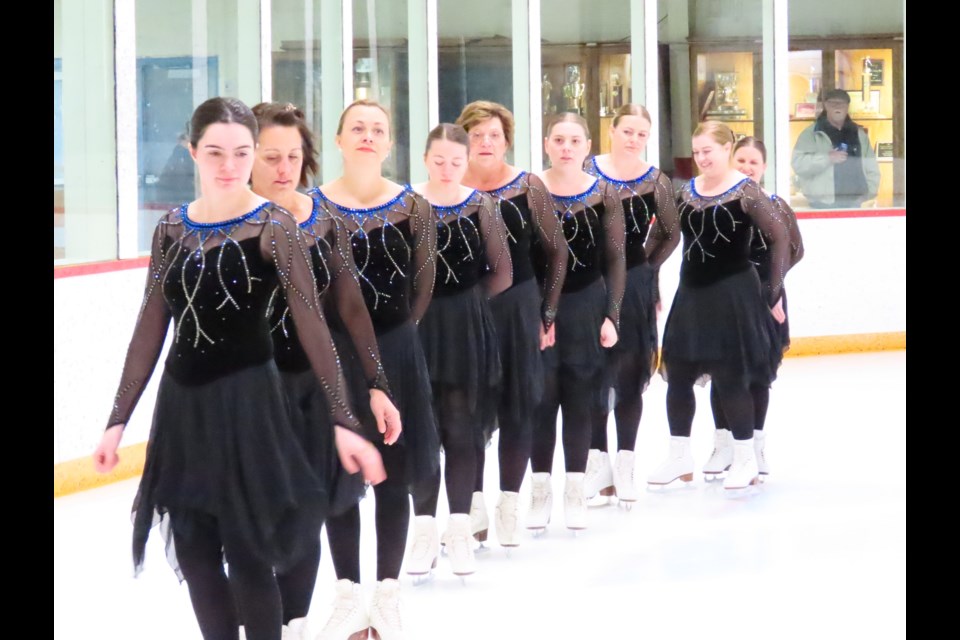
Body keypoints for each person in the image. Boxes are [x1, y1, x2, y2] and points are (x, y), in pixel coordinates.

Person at [92, 97, 386, 640]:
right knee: (196, 549)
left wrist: (344, 419)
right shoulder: (172, 230)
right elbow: (150, 327)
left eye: (241, 153)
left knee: (249, 551)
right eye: (215, 152)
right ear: (192, 151)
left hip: (251, 406)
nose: (228, 165)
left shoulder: (274, 225)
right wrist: (118, 419)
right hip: (183, 410)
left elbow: (314, 327)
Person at [250, 101, 401, 639]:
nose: (283, 167)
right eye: (271, 156)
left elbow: (352, 309)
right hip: (246, 392)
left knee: (305, 509)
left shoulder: (321, 220)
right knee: (253, 520)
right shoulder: (225, 223)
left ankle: (293, 625)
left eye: (293, 156)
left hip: (312, 388)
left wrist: (377, 383)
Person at [309, 99, 440, 640]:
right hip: (329, 356)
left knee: (394, 471)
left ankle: (387, 593)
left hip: (397, 351)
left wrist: (392, 345)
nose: (367, 135)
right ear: (338, 141)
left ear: (390, 144)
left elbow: (422, 287)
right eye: (356, 128)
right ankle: (346, 593)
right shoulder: (310, 208)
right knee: (337, 477)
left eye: (378, 129)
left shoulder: (414, 207)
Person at [648, 121, 791, 492]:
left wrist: (773, 291)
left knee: (732, 375)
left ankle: (744, 456)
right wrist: (647, 276)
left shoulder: (745, 192)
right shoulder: (685, 192)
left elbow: (779, 239)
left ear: (727, 149)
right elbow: (665, 236)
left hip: (734, 294)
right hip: (692, 293)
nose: (701, 158)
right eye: (696, 152)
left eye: (708, 151)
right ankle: (679, 454)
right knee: (677, 373)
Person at [456, 100, 568, 547]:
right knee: (468, 409)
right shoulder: (447, 186)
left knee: (518, 405)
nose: (485, 143)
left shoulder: (528, 186)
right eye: (477, 135)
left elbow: (556, 252)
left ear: (506, 142)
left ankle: (508, 503)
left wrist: (548, 312)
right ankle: (474, 503)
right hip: (466, 312)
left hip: (519, 307)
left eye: (494, 136)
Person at [405, 123, 512, 577]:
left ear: (466, 162)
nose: (448, 169)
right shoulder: (406, 203)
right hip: (416, 326)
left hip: (466, 325)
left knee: (462, 427)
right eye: (439, 161)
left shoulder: (480, 205)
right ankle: (423, 529)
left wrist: (468, 305)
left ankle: (460, 528)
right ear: (425, 159)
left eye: (456, 161)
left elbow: (502, 272)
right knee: (421, 430)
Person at [529, 112, 625, 532]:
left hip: (587, 303)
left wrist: (612, 314)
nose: (566, 147)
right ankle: (539, 489)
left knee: (580, 395)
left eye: (574, 140)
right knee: (541, 397)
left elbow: (616, 258)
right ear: (547, 144)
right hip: (536, 307)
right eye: (558, 140)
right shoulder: (529, 189)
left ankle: (575, 487)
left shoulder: (605, 192)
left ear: (588, 146)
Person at [583, 104, 680, 504]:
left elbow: (670, 233)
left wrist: (645, 267)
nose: (634, 139)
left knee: (626, 375)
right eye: (628, 131)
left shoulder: (654, 179)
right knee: (590, 373)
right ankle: (596, 463)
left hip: (635, 284)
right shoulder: (588, 169)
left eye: (642, 134)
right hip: (589, 281)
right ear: (612, 130)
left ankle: (625, 462)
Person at [703, 136, 804, 481]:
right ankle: (724, 444)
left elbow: (795, 249)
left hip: (765, 298)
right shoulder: (722, 204)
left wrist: (770, 288)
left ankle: (756, 445)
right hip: (725, 298)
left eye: (753, 163)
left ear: (763, 169)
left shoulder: (775, 205)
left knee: (759, 373)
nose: (747, 168)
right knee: (722, 369)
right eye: (741, 161)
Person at [791, 88, 880, 209]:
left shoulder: (859, 133)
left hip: (855, 202)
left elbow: (871, 166)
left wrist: (870, 191)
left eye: (841, 103)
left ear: (848, 106)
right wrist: (827, 158)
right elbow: (798, 164)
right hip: (821, 204)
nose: (837, 107)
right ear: (826, 106)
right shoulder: (811, 134)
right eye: (833, 103)